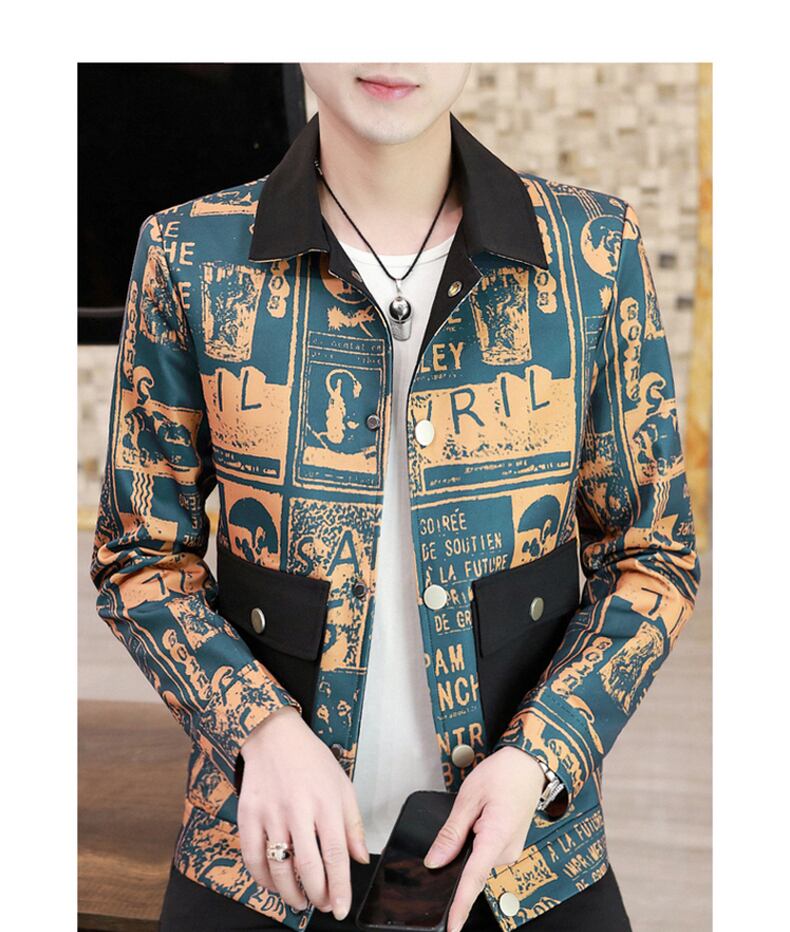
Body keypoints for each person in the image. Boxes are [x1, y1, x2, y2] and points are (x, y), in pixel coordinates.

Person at [91, 63, 699, 932]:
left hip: (529, 857)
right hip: (255, 858)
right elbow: (140, 556)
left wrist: (540, 755)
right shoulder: (187, 253)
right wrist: (259, 728)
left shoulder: (593, 249)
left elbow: (653, 555)